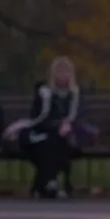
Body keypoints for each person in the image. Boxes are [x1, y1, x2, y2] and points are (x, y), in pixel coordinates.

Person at [21, 56, 82, 199]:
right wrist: (56, 126)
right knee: (52, 143)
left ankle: (42, 184)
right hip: (40, 135)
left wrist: (67, 125)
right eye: (59, 72)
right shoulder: (44, 93)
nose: (63, 76)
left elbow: (79, 115)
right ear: (53, 74)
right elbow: (37, 119)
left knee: (60, 142)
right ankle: (50, 182)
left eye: (66, 72)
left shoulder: (75, 94)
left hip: (67, 136)